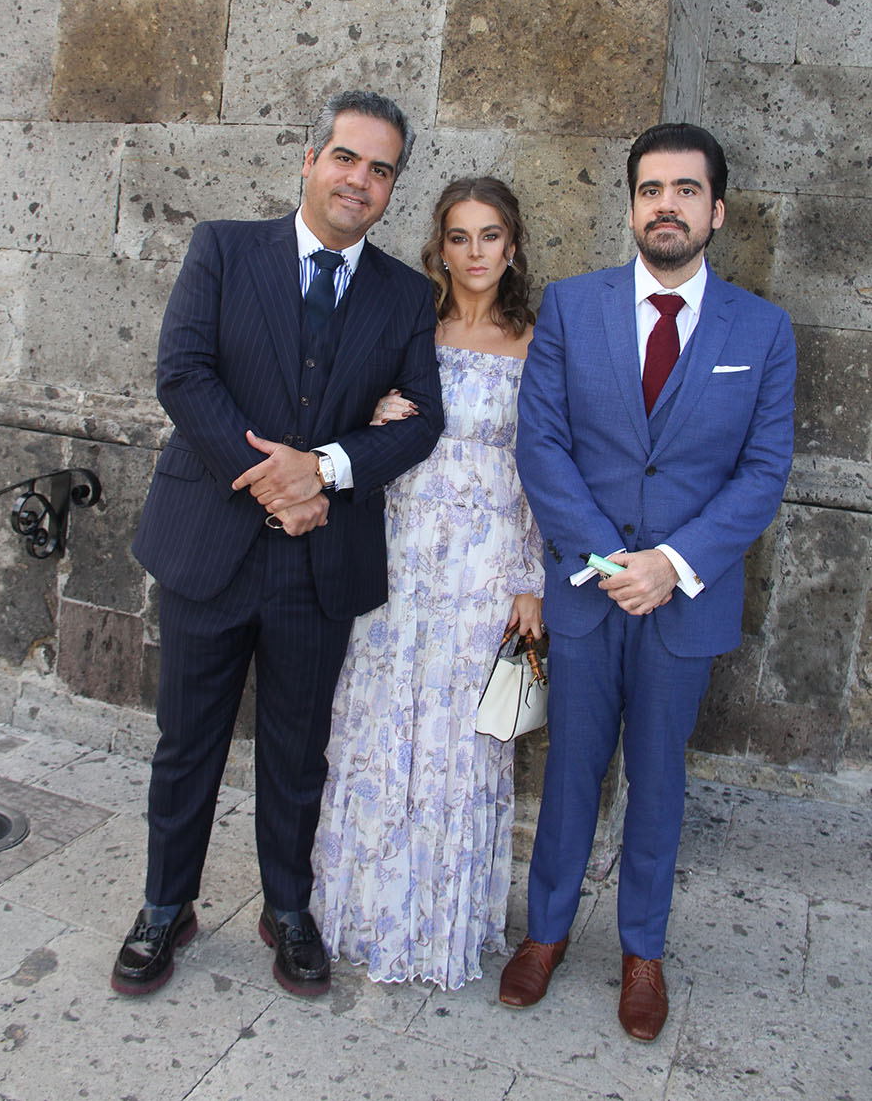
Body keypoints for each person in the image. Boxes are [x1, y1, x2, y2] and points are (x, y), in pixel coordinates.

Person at [111, 90, 444, 999]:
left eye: (380, 170)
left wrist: (326, 470)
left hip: (319, 560)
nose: (360, 181)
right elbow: (183, 372)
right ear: (311, 160)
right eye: (347, 159)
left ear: (390, 190)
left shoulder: (409, 296)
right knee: (188, 742)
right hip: (209, 545)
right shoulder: (223, 248)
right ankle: (165, 905)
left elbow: (420, 424)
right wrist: (275, 481)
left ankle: (287, 909)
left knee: (299, 750)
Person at [502, 123, 796, 1041]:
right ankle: (545, 932)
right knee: (571, 773)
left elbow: (763, 470)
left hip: (685, 603)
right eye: (649, 189)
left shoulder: (763, 329)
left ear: (716, 210)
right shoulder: (571, 306)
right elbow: (541, 445)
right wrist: (607, 563)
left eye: (685, 190)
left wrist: (669, 565)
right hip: (589, 597)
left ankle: (642, 951)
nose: (665, 205)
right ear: (630, 204)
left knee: (660, 779)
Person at [312, 176, 543, 990]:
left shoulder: (538, 341)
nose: (474, 252)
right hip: (399, 547)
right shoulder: (414, 321)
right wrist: (372, 409)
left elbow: (546, 466)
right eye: (459, 236)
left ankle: (440, 922)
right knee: (378, 721)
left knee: (457, 741)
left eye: (489, 237)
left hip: (484, 566)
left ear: (511, 247)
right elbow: (337, 402)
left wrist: (531, 579)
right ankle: (360, 906)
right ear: (437, 246)